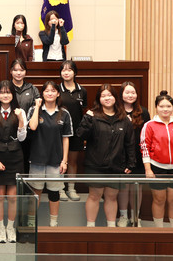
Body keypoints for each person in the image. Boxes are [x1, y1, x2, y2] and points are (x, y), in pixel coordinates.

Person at [77, 84, 135, 227]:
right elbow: (81, 135)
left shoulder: (124, 119)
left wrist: (131, 163)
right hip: (95, 165)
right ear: (99, 99)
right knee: (94, 196)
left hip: (116, 165)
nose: (107, 98)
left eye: (110, 95)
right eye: (103, 96)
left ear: (115, 98)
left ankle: (111, 227)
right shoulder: (92, 116)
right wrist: (87, 119)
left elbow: (130, 143)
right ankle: (90, 227)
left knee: (112, 197)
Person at [141, 90, 173, 228]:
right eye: (161, 106)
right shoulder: (149, 125)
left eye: (168, 106)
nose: (165, 109)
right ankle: (159, 231)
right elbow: (144, 148)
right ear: (156, 107)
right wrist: (148, 169)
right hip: (157, 168)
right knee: (159, 200)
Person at [27, 81, 72, 227]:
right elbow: (33, 126)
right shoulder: (34, 110)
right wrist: (37, 106)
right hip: (37, 159)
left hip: (56, 160)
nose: (50, 93)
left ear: (58, 93)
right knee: (36, 192)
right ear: (42, 94)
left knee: (54, 193)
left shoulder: (64, 113)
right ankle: (31, 224)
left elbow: (66, 138)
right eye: (46, 91)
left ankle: (53, 223)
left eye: (53, 91)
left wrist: (64, 160)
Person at [0, 81, 27, 243]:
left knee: (12, 196)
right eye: (2, 92)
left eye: (8, 92)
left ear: (13, 95)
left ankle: (10, 227)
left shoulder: (20, 111)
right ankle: (0, 228)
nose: (5, 95)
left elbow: (22, 138)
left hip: (15, 156)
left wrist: (21, 120)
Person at [118, 81, 151, 227]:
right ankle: (123, 216)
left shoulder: (143, 111)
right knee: (124, 186)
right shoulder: (116, 110)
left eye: (133, 92)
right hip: (121, 154)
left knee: (137, 187)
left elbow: (148, 134)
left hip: (139, 154)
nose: (130, 95)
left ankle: (136, 217)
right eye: (127, 92)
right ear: (121, 94)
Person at [59, 60, 87, 201]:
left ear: (75, 72)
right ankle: (60, 189)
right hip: (59, 132)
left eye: (69, 70)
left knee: (73, 161)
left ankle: (71, 188)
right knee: (60, 160)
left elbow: (83, 112)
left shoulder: (82, 91)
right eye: (64, 70)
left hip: (76, 132)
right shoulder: (57, 90)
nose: (66, 72)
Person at [9, 58, 40, 176]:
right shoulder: (6, 88)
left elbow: (37, 109)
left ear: (25, 72)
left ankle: (26, 186)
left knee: (26, 161)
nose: (18, 73)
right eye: (15, 70)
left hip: (28, 132)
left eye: (21, 70)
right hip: (10, 130)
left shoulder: (32, 89)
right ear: (11, 71)